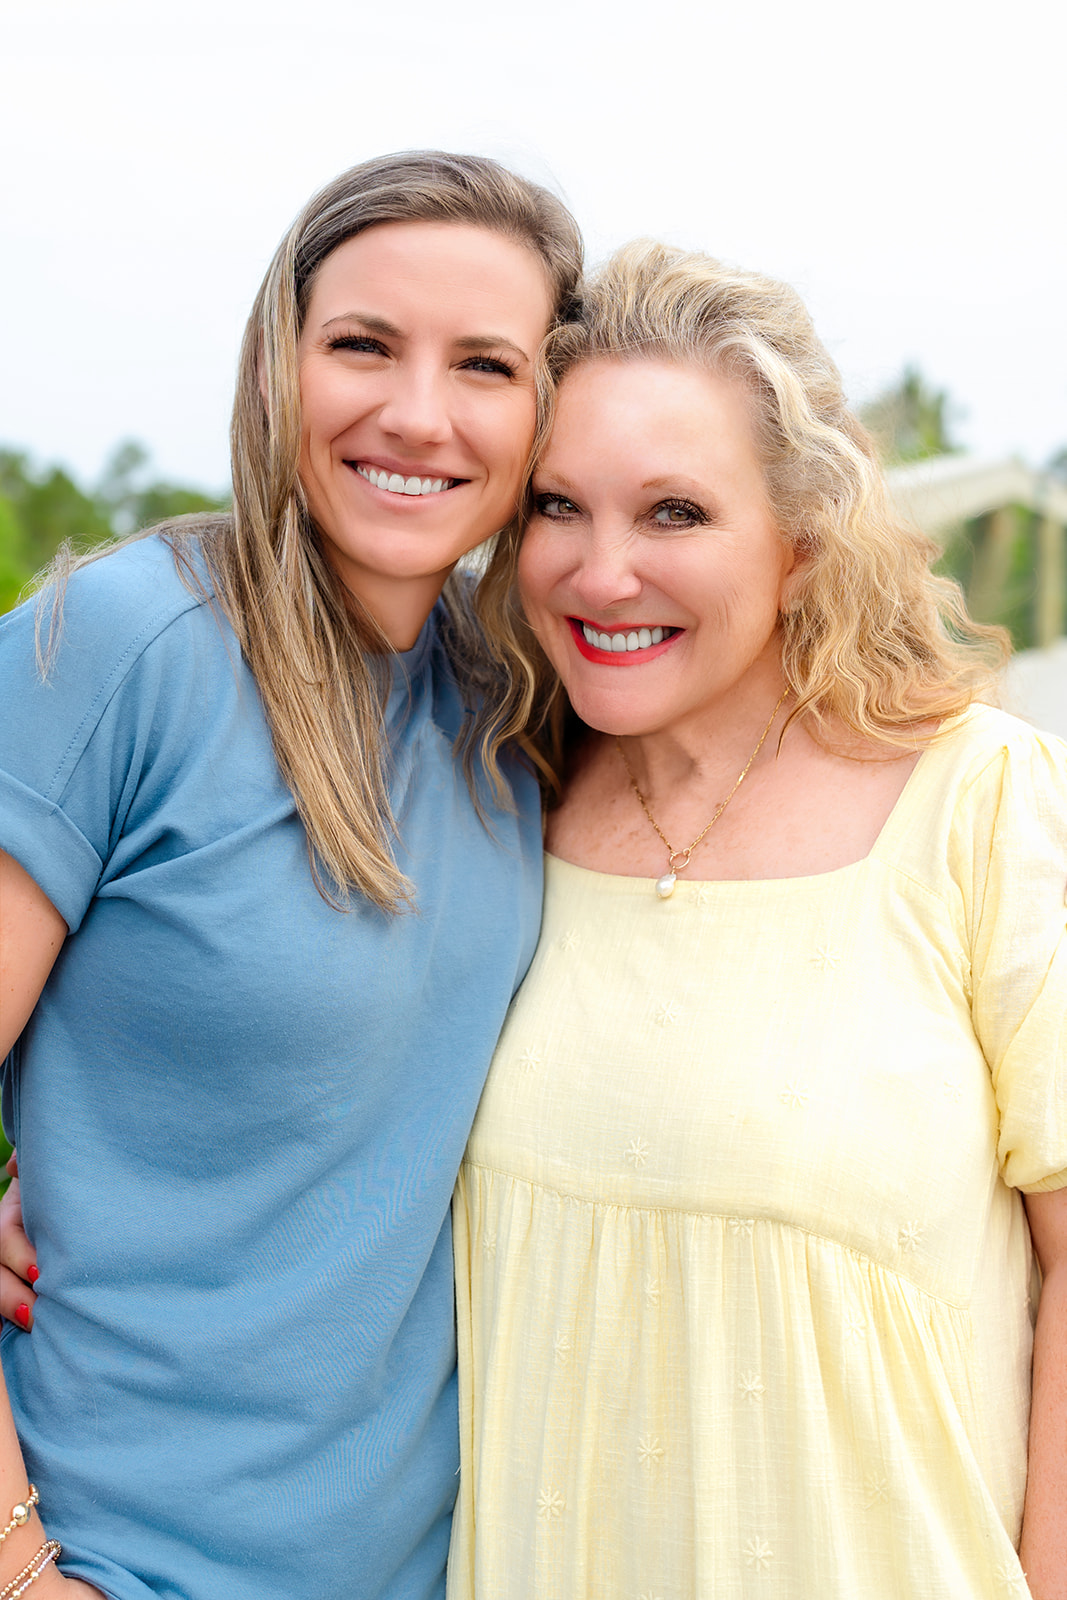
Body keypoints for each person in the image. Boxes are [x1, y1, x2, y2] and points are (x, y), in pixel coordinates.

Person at [0, 150, 582, 1600]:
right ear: (279, 363)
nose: (418, 413)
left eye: (486, 365)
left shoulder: (517, 715)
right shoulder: (118, 647)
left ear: (544, 415)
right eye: (363, 345)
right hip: (112, 1554)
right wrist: (17, 1566)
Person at [445, 242, 1067, 1597]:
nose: (603, 572)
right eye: (559, 506)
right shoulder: (485, 810)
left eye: (674, 513)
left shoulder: (976, 801)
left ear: (801, 544)